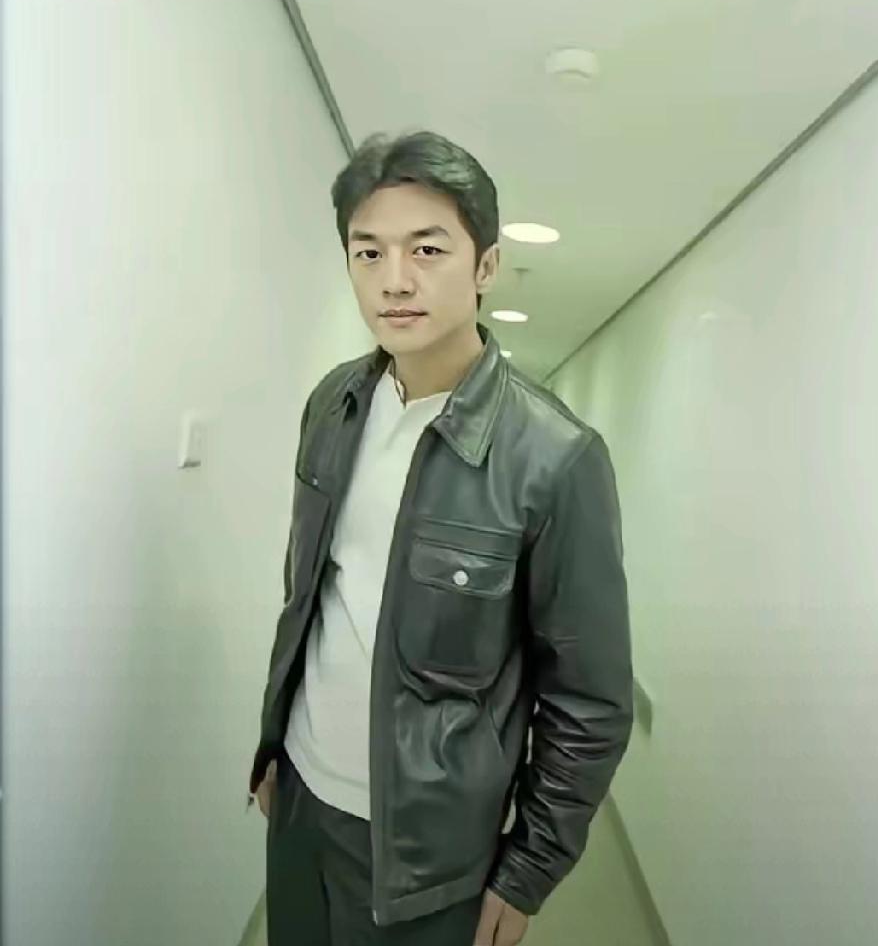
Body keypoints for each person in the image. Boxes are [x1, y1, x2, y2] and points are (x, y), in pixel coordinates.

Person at [247, 130, 634, 945]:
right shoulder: (335, 404)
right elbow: (310, 598)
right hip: (300, 804)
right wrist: (277, 745)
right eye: (369, 252)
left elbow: (588, 700)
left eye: (427, 249)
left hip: (430, 859)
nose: (394, 280)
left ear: (485, 266)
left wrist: (528, 871)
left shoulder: (554, 458)